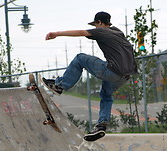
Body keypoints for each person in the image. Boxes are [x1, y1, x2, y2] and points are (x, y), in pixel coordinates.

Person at [43, 11, 138, 141]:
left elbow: (81, 32)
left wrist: (56, 34)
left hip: (111, 71)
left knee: (80, 58)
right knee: (106, 95)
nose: (94, 28)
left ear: (99, 22)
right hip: (125, 76)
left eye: (95, 25)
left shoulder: (101, 31)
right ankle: (101, 125)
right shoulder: (118, 31)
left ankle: (60, 85)